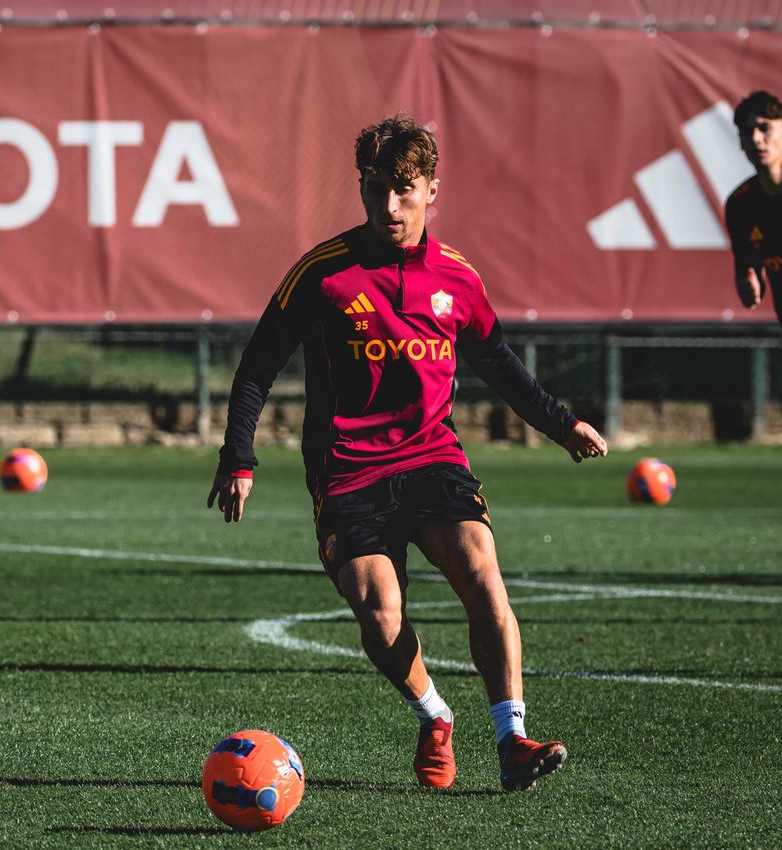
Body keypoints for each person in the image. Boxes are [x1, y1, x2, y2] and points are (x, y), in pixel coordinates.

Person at [206, 115, 607, 791]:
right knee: (378, 610)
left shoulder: (456, 277)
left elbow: (498, 362)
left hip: (432, 457)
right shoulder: (323, 273)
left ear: (431, 190)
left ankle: (512, 739)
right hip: (348, 469)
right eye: (375, 188)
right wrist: (238, 458)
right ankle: (434, 713)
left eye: (403, 188)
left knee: (482, 573)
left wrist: (560, 424)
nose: (388, 204)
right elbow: (257, 366)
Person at [725, 90, 782, 481]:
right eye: (746, 131)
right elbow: (747, 269)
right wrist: (748, 280)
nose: (755, 138)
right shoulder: (741, 205)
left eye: (764, 128)